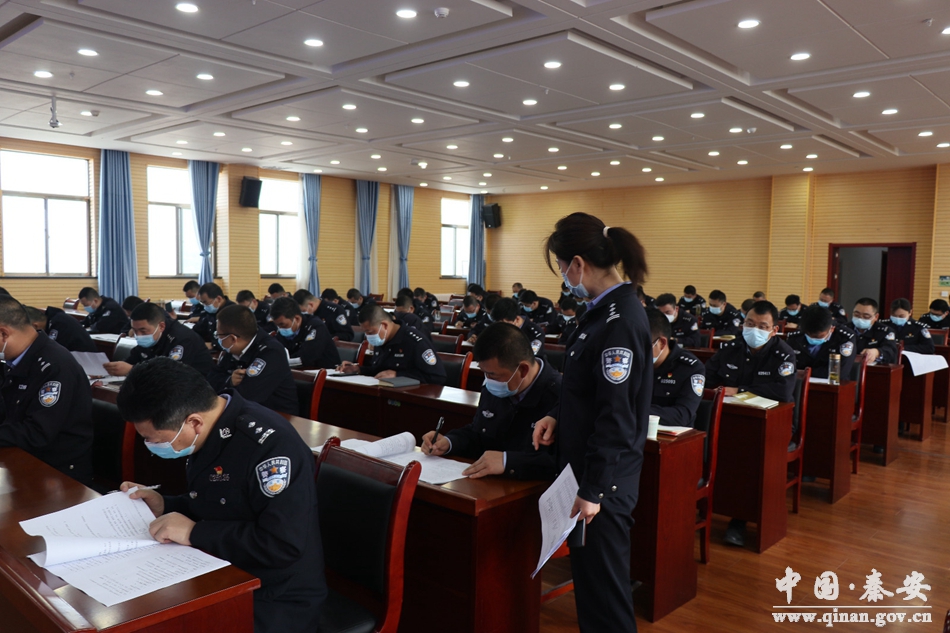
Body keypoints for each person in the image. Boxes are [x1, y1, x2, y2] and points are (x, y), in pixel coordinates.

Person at [117, 358, 326, 633]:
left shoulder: (270, 446)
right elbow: (218, 502)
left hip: (274, 595)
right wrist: (165, 504)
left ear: (194, 422)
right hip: (221, 570)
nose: (150, 446)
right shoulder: (209, 428)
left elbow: (281, 544)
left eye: (155, 440)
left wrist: (194, 532)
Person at [531, 214, 650, 633]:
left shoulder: (620, 320)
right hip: (587, 477)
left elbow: (616, 416)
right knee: (593, 595)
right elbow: (590, 392)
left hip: (603, 486)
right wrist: (556, 415)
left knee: (606, 603)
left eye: (563, 268)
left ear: (578, 264)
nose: (565, 278)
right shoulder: (602, 313)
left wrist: (593, 489)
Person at [704, 300, 796, 547]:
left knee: (747, 455)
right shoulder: (731, 348)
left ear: (774, 330)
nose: (755, 330)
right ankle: (707, 505)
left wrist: (740, 390)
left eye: (762, 326)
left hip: (771, 424)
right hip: (730, 418)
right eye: (750, 323)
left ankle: (739, 519)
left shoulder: (784, 354)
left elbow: (782, 391)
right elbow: (707, 378)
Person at [423, 322, 558, 480]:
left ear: (523, 369)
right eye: (484, 373)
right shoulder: (495, 385)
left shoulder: (560, 396)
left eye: (493, 374)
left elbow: (564, 462)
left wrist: (508, 461)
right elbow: (479, 433)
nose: (488, 380)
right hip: (490, 483)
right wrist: (449, 442)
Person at [0, 295, 92, 481]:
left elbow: (38, 433)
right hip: (23, 455)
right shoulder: (15, 360)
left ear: (3, 333)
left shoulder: (54, 366)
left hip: (58, 471)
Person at [207, 305, 298, 415]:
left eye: (218, 335)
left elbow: (247, 396)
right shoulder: (234, 349)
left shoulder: (271, 352)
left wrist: (224, 385)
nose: (218, 339)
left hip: (277, 417)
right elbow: (210, 380)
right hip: (247, 412)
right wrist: (229, 381)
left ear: (233, 339)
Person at [337, 304, 446, 384]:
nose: (368, 336)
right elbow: (379, 370)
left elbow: (437, 377)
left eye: (370, 332)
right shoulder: (382, 339)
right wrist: (358, 369)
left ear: (384, 325)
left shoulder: (414, 341)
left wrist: (398, 375)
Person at [105, 302, 214, 377]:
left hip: (196, 389)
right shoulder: (152, 337)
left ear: (161, 326)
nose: (139, 335)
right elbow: (134, 359)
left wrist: (132, 370)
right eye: (135, 330)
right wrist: (113, 369)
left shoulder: (182, 339)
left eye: (143, 330)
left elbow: (173, 374)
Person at [647, 308, 705, 428]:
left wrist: (637, 411)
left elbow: (683, 415)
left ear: (662, 343)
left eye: (640, 345)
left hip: (671, 435)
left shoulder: (691, 368)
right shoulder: (631, 363)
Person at [785, 305, 856, 380]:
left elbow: (839, 373)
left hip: (832, 384)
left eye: (818, 336)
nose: (812, 338)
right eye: (809, 335)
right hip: (800, 383)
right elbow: (786, 367)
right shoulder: (796, 337)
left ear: (831, 329)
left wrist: (805, 373)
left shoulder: (844, 338)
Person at [270, 297, 340, 369]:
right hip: (298, 371)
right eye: (277, 325)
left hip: (325, 371)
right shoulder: (283, 331)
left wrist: (281, 362)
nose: (280, 328)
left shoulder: (315, 327)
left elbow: (306, 358)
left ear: (297, 319)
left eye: (282, 325)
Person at [26, 305, 97, 353]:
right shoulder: (52, 320)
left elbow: (51, 353)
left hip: (88, 362)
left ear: (35, 326)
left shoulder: (59, 324)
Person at [851, 298, 899, 365]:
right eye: (856, 315)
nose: (860, 318)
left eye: (866, 316)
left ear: (876, 317)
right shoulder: (844, 328)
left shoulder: (885, 331)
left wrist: (877, 352)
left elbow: (891, 351)